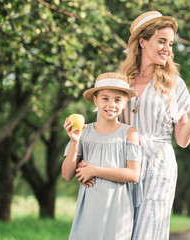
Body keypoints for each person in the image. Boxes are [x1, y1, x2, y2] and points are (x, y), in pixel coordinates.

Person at [118, 11, 190, 239]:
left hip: (158, 165)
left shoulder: (174, 85)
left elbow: (182, 139)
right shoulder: (120, 83)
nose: (167, 49)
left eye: (170, 43)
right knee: (120, 231)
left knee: (147, 233)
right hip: (123, 163)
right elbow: (106, 125)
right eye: (161, 41)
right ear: (142, 42)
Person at [62, 72, 141, 240]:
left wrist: (94, 170)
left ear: (125, 102)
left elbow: (134, 175)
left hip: (117, 214)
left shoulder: (129, 133)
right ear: (95, 100)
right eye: (105, 98)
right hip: (89, 213)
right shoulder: (83, 132)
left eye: (117, 99)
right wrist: (75, 142)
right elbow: (67, 175)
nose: (111, 104)